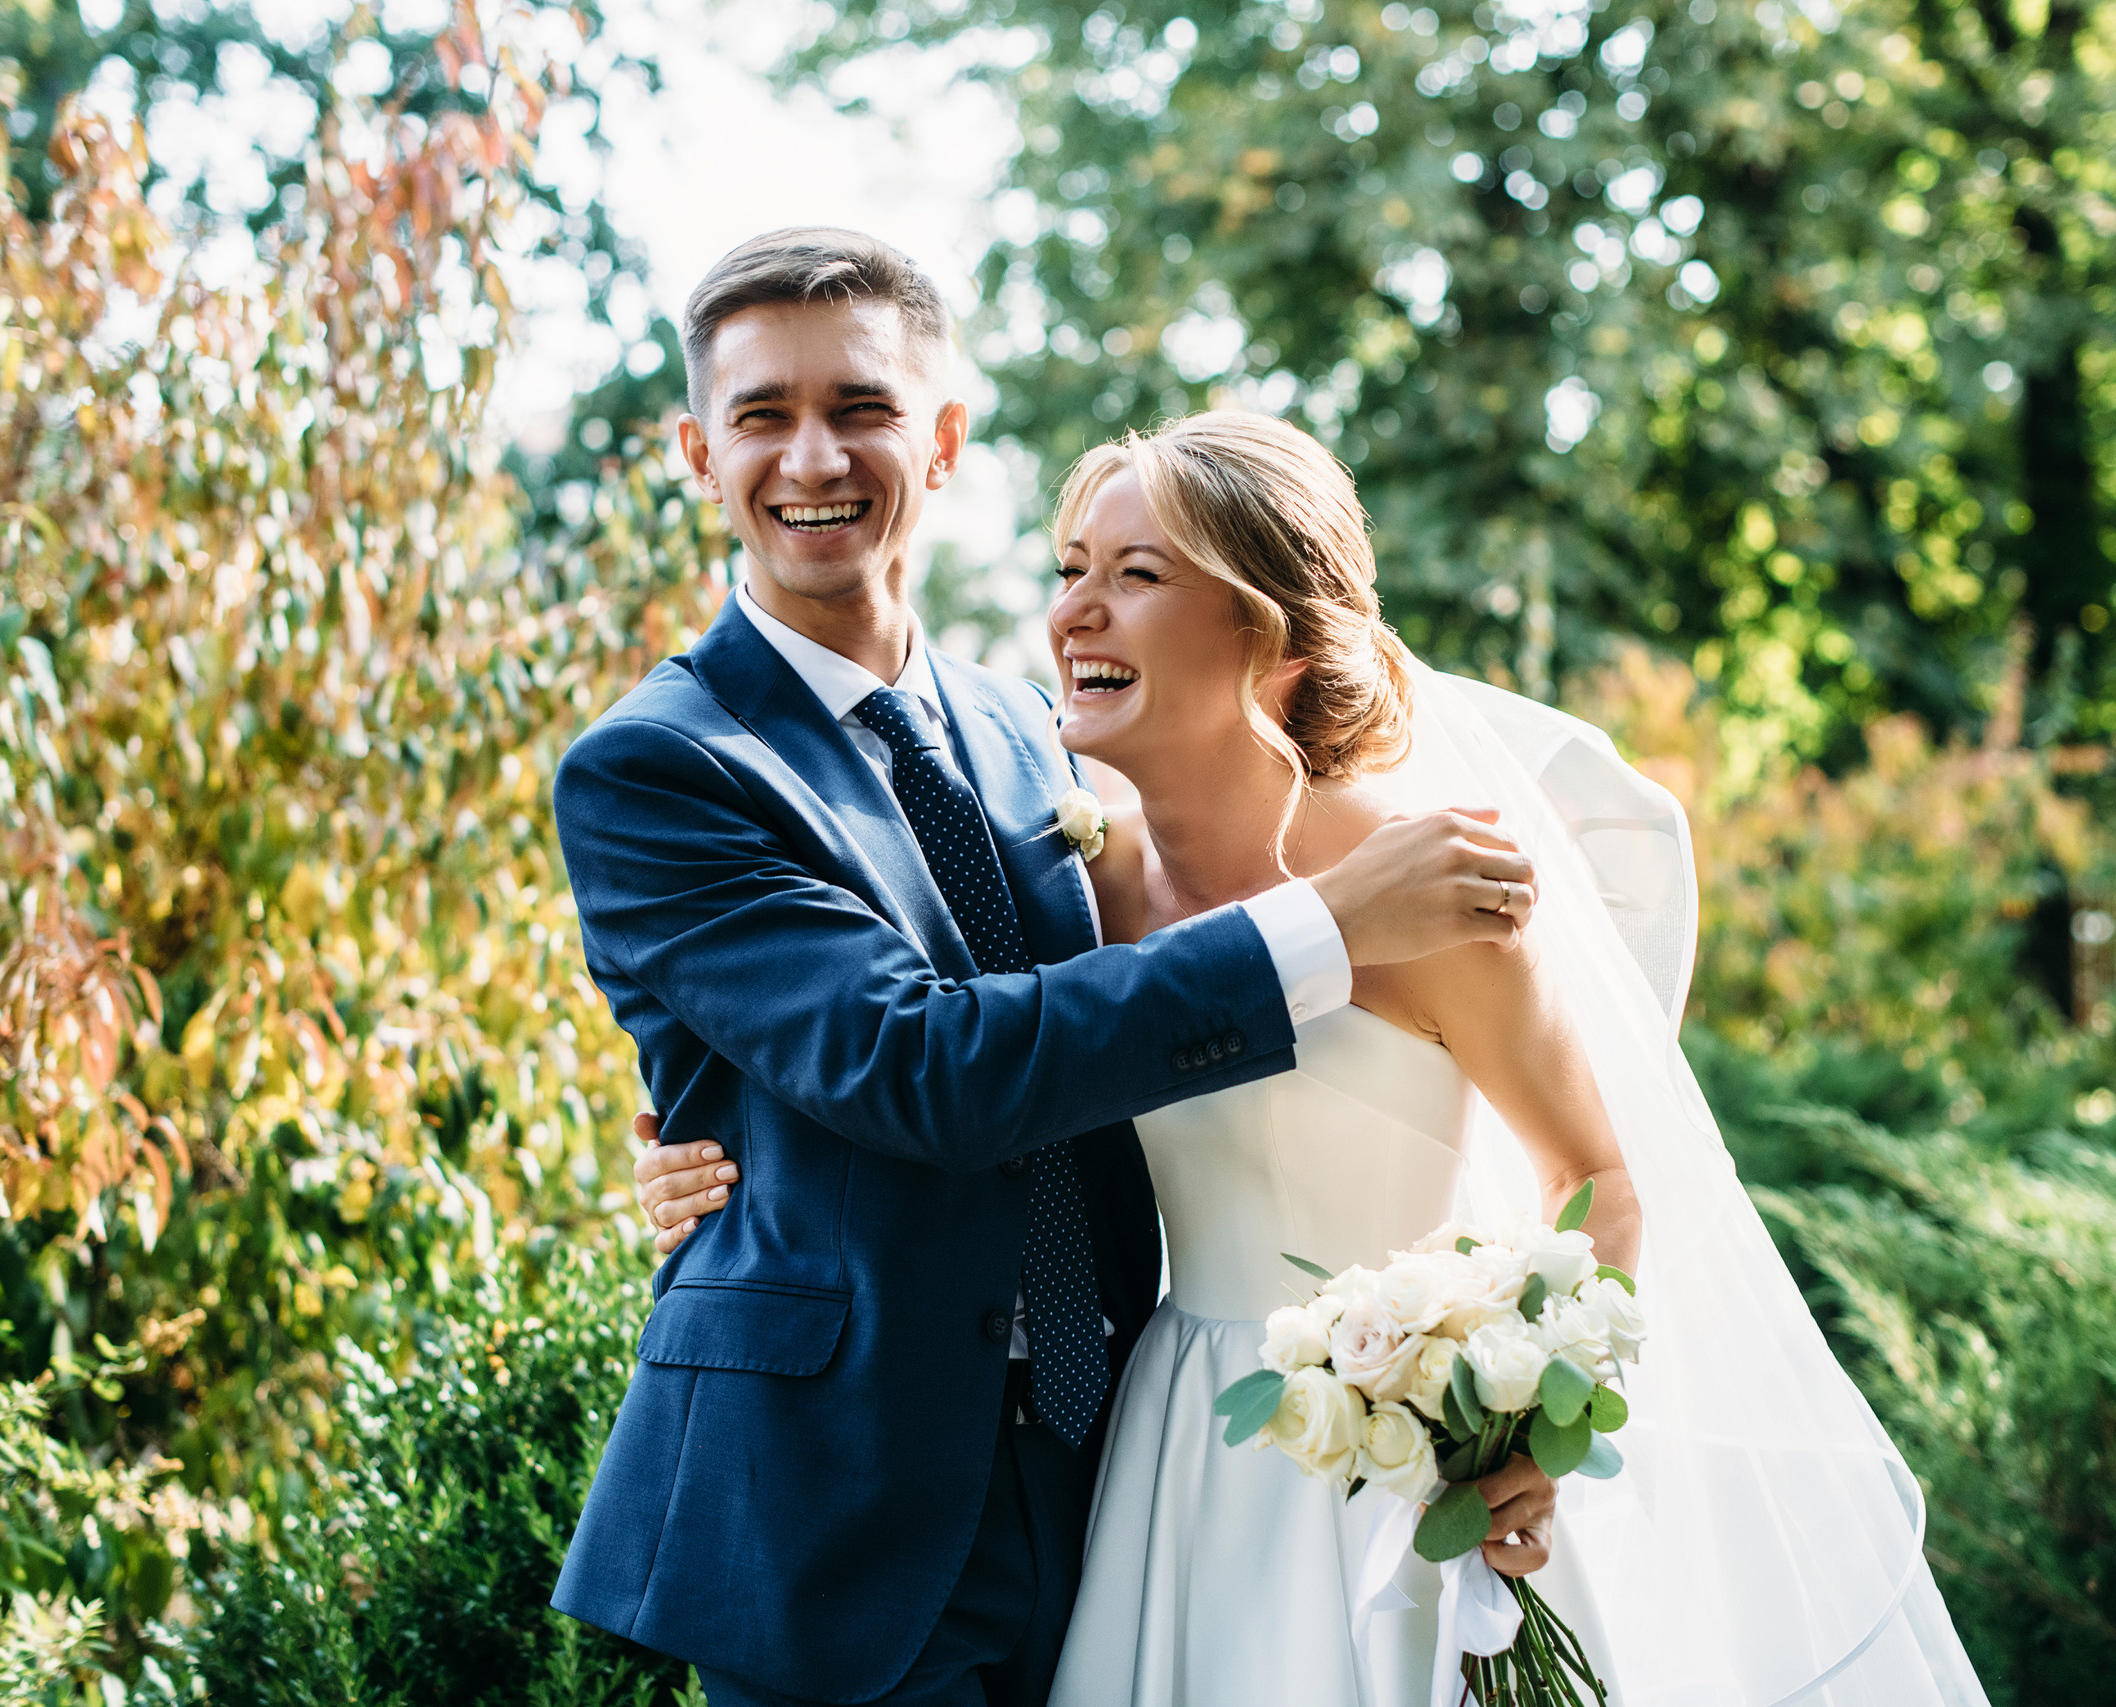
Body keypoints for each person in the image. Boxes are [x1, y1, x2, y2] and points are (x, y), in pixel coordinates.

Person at [639, 409, 1993, 1706]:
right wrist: (726, 1152)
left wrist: (1529, 1417)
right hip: (1170, 1448)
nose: (1074, 615)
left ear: (1269, 630)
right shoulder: (1082, 877)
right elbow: (932, 1048)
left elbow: (1598, 1180)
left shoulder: (1433, 887)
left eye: (1138, 576)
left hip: (1404, 1470)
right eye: (1071, 571)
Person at [546, 231, 1545, 1707]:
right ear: (702, 452)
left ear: (943, 441)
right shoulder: (659, 765)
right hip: (841, 1513)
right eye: (762, 415)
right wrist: (1328, 928)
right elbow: (914, 1066)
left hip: (1121, 1485)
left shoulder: (1044, 735)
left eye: (862, 408)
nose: (812, 457)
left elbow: (1112, 1027)